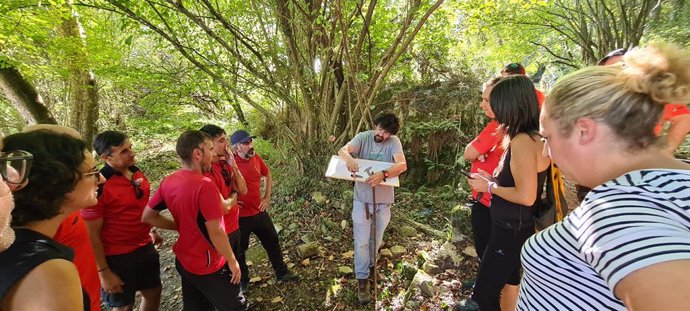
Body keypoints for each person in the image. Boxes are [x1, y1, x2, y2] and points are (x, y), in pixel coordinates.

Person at [517, 43, 690, 310]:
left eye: (548, 138)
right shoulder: (670, 183)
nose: (546, 152)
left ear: (584, 131)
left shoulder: (619, 211)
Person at [464, 76, 551, 311]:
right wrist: (493, 179)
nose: (493, 109)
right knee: (501, 283)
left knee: (482, 297)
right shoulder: (534, 136)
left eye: (497, 103)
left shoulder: (523, 141)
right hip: (513, 226)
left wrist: (489, 187)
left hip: (510, 228)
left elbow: (526, 196)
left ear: (510, 105)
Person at [142, 130, 247, 311]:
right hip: (206, 264)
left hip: (184, 260)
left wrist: (180, 226)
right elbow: (216, 231)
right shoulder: (204, 185)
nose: (214, 154)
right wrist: (232, 260)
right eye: (210, 149)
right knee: (237, 306)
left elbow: (148, 216)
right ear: (197, 154)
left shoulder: (168, 181)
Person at [0, 129, 104, 311]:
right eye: (93, 172)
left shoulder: (11, 245)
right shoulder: (48, 271)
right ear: (58, 181)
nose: (101, 179)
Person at [81, 131, 162, 311]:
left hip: (143, 247)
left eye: (130, 148)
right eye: (124, 151)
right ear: (105, 157)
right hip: (116, 256)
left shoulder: (136, 172)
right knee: (124, 305)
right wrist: (103, 272)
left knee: (153, 291)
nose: (131, 153)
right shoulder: (99, 186)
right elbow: (91, 233)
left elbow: (141, 206)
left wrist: (152, 230)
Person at [338, 112, 408, 304]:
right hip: (362, 200)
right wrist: (349, 159)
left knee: (375, 241)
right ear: (375, 125)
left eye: (387, 133)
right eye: (380, 130)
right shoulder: (363, 137)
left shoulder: (394, 142)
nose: (382, 135)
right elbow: (342, 150)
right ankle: (362, 279)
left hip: (383, 202)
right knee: (361, 241)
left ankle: (371, 267)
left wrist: (383, 174)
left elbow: (402, 165)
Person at [230, 129, 299, 294]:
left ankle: (281, 272)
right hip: (240, 217)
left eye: (250, 141)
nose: (250, 145)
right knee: (240, 250)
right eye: (245, 143)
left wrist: (267, 198)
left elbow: (268, 175)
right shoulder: (230, 165)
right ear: (236, 148)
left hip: (259, 212)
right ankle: (243, 282)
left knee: (273, 241)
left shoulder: (255, 158)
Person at [463, 77, 504, 262]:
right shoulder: (514, 126)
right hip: (496, 200)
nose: (481, 104)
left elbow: (469, 153)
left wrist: (477, 153)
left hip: (489, 202)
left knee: (489, 255)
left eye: (487, 100)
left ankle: (488, 289)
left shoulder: (498, 126)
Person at [200, 125, 247, 260]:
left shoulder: (225, 164)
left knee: (240, 266)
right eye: (221, 141)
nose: (226, 144)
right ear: (208, 144)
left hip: (235, 225)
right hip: (220, 233)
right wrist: (234, 195)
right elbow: (224, 207)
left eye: (225, 140)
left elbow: (243, 189)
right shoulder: (205, 172)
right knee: (228, 273)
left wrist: (234, 165)